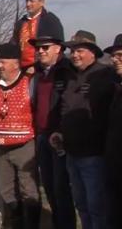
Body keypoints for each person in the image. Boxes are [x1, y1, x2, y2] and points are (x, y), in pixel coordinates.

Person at [49, 30, 115, 229]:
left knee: (97, 206)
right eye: (73, 51)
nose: (75, 55)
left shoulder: (105, 75)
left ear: (93, 53)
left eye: (80, 51)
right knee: (82, 205)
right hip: (71, 154)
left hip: (93, 156)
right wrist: (60, 131)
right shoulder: (70, 76)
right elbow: (66, 108)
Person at [0, 43, 40, 229]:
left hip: (25, 147)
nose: (0, 66)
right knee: (6, 190)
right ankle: (16, 224)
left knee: (28, 189)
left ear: (16, 64)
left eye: (3, 62)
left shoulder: (30, 83)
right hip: (1, 148)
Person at [28, 26, 76, 229]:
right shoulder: (38, 74)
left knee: (61, 188)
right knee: (48, 185)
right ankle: (57, 222)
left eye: (45, 47)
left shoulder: (67, 72)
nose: (40, 51)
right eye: (38, 48)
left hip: (59, 139)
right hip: (41, 137)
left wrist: (62, 132)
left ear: (58, 48)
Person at [11, 0, 63, 73]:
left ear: (42, 1)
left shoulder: (51, 21)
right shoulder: (21, 23)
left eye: (32, 1)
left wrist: (37, 67)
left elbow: (58, 50)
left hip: (44, 72)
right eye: (27, 1)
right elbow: (14, 46)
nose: (28, 4)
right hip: (21, 72)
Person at [103, 33, 122, 229]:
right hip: (113, 164)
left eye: (120, 55)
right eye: (114, 55)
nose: (115, 59)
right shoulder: (115, 86)